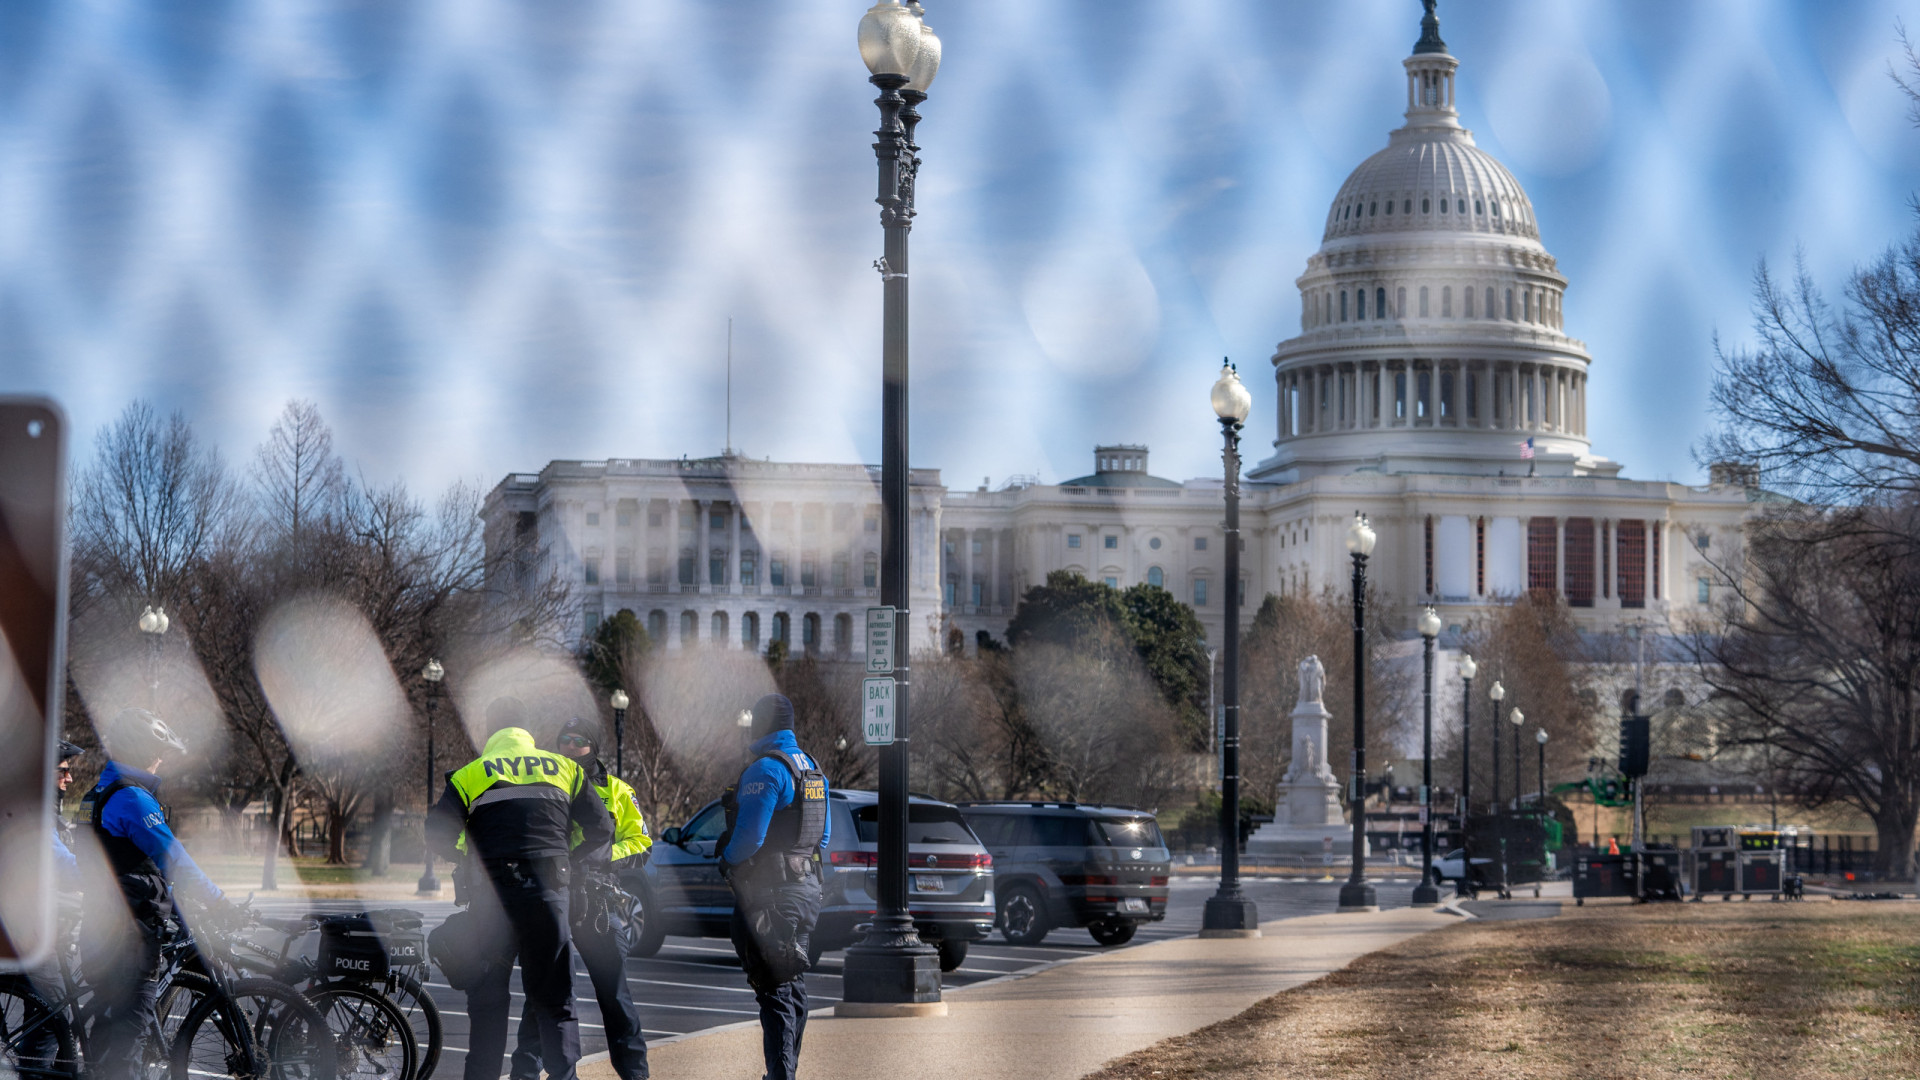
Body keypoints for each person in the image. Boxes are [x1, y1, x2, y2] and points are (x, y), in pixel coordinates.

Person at [428, 699, 614, 1080]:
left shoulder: (470, 774)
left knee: (488, 1004)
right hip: (549, 899)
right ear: (528, 732)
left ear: (490, 731)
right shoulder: (564, 769)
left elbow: (437, 834)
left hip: (491, 903)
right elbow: (603, 830)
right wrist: (571, 865)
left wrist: (468, 858)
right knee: (556, 1002)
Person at [84, 708, 229, 1080]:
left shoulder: (98, 791)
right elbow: (173, 858)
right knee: (133, 1026)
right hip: (129, 931)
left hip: (102, 921)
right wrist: (217, 900)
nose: (162, 757)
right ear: (144, 749)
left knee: (109, 1021)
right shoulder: (132, 799)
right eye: (158, 749)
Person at [508, 717, 652, 1080]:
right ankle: (523, 1073)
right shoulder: (542, 782)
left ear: (594, 747)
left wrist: (600, 857)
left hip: (597, 900)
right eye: (564, 739)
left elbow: (642, 844)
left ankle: (635, 1074)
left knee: (615, 997)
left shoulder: (618, 789)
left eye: (579, 740)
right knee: (542, 993)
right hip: (551, 896)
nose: (571, 746)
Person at [719, 694, 830, 1080]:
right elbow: (823, 837)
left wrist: (727, 859)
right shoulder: (814, 771)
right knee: (793, 983)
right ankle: (785, 1072)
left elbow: (749, 839)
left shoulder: (766, 770)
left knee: (774, 989)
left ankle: (780, 1076)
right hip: (806, 891)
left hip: (771, 896)